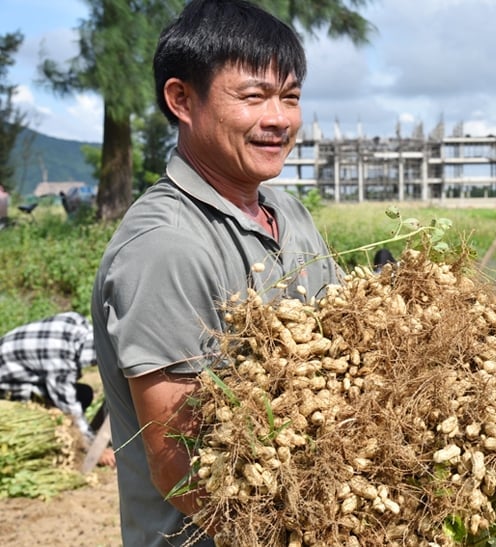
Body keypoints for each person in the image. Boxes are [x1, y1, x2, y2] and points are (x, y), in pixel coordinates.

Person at [91, 1, 340, 545]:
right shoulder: (164, 248)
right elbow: (181, 468)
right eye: (253, 97)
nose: (278, 119)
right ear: (181, 99)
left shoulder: (288, 214)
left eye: (290, 97)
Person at [0, 312, 115, 467]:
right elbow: (69, 406)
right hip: (8, 383)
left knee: (84, 393)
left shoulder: (76, 324)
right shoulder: (59, 359)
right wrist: (95, 449)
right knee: (70, 404)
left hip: (23, 371)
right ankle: (55, 438)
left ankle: (74, 434)